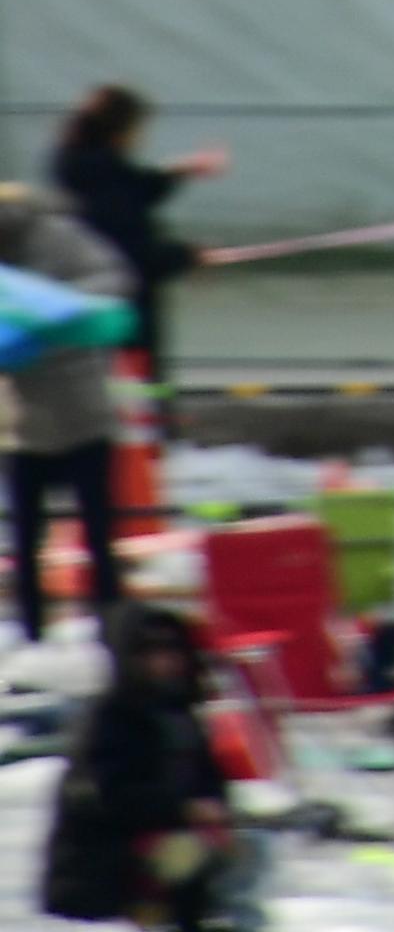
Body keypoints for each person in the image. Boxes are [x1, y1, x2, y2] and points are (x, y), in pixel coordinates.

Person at [40, 605, 247, 930]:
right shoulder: (109, 718)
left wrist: (217, 809)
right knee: (188, 854)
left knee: (249, 852)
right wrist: (185, 810)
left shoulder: (180, 713)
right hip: (101, 866)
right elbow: (104, 796)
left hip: (164, 842)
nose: (164, 662)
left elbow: (208, 779)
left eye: (172, 650)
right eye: (150, 652)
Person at [0, 186, 134, 644]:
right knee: (25, 548)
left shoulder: (57, 235)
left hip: (84, 417)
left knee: (100, 542)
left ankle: (114, 640)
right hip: (24, 427)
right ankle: (33, 642)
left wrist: (53, 307)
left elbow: (114, 279)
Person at [45, 89, 216, 394]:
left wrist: (174, 173)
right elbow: (131, 255)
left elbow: (131, 190)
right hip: (123, 319)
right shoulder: (105, 180)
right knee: (137, 406)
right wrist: (184, 256)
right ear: (120, 132)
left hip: (86, 312)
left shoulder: (79, 169)